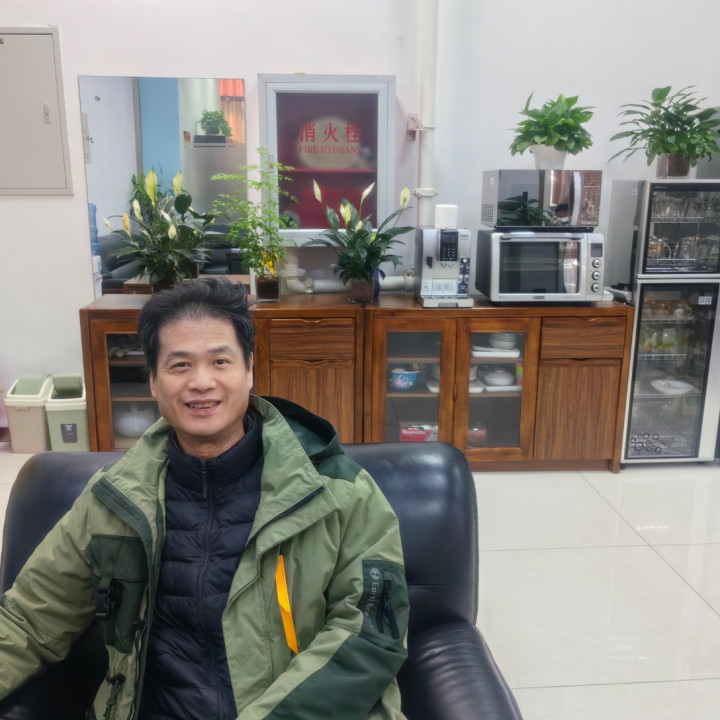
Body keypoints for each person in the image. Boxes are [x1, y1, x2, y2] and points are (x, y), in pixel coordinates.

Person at [0, 277, 410, 720]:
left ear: (249, 371)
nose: (201, 382)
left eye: (220, 361)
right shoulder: (114, 501)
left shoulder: (340, 492)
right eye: (179, 365)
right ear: (153, 381)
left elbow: (370, 636)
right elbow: (30, 619)